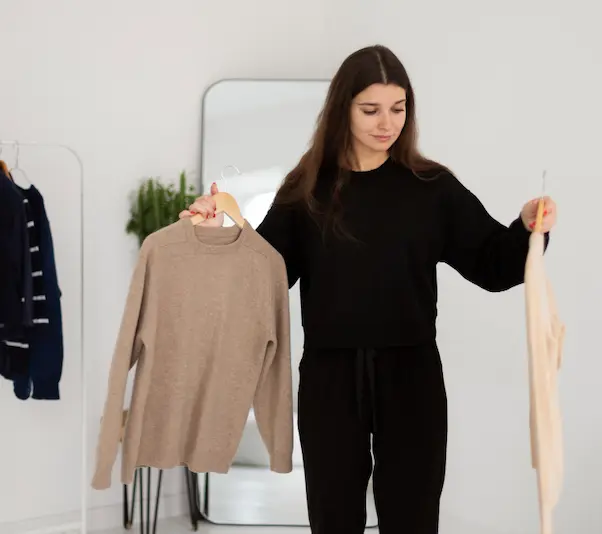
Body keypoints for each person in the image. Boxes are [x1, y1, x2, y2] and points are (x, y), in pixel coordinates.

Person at [179, 44, 558, 534]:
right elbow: (261, 278)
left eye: (398, 108)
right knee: (333, 520)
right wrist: (216, 233)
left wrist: (529, 228)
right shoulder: (307, 189)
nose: (387, 123)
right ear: (343, 109)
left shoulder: (432, 188)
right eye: (371, 109)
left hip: (412, 376)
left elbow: (494, 266)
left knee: (412, 519)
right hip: (330, 379)